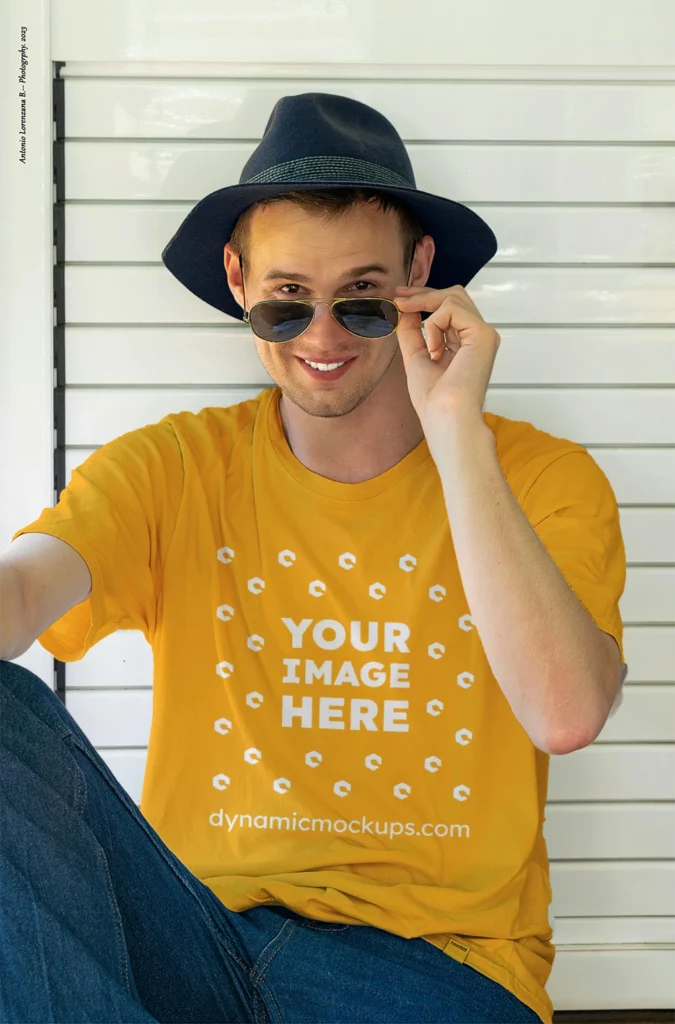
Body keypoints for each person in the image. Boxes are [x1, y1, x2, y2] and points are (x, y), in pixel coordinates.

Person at [0, 93, 627, 1024]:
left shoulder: (541, 479)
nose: (325, 338)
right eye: (287, 303)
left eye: (363, 302)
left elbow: (565, 713)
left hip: (432, 966)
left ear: (419, 275)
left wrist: (453, 429)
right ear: (237, 279)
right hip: (198, 937)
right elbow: (25, 593)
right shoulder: (176, 465)